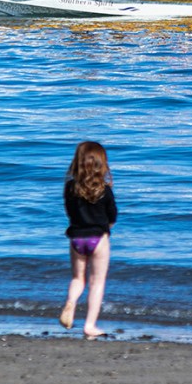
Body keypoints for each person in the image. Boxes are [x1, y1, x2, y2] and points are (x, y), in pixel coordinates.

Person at [60, 141, 117, 339]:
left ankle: (71, 302)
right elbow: (112, 216)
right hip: (98, 238)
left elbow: (69, 212)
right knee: (97, 282)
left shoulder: (70, 188)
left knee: (78, 278)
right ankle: (90, 325)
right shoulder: (105, 190)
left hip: (76, 237)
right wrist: (106, 228)